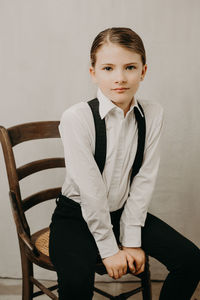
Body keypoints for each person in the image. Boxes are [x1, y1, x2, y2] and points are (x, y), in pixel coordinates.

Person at [49, 27, 200, 300]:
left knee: (191, 260)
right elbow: (91, 192)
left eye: (130, 67)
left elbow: (143, 179)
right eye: (108, 68)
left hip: (124, 212)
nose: (120, 78)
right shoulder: (77, 118)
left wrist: (131, 241)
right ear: (93, 72)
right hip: (76, 217)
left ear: (143, 71)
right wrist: (110, 250)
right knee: (76, 285)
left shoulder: (153, 114)